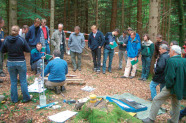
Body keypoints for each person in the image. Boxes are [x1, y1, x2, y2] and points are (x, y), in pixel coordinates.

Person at [142, 45, 186, 123]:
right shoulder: (184, 60)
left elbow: (170, 76)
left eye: (170, 51)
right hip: (179, 87)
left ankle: (151, 119)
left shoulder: (171, 61)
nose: (169, 53)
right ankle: (174, 120)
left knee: (156, 99)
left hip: (171, 86)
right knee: (176, 103)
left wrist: (168, 86)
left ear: (173, 52)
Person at [1, 25, 32, 103]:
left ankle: (14, 99)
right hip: (21, 62)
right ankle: (26, 98)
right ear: (18, 31)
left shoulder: (6, 40)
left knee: (13, 81)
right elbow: (28, 49)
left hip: (10, 63)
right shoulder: (21, 40)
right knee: (23, 81)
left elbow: (2, 50)